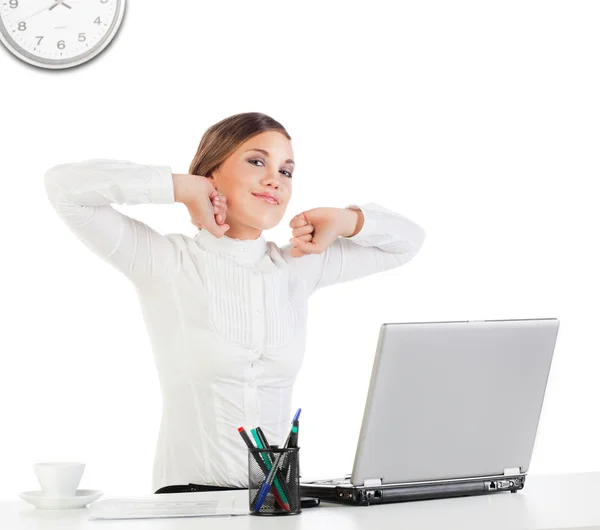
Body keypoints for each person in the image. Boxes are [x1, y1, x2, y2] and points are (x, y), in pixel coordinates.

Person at [43, 112, 426, 494]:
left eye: (286, 171)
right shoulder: (165, 262)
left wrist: (348, 220)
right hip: (189, 504)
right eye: (257, 161)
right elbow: (64, 187)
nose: (275, 179)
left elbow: (409, 242)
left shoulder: (299, 265)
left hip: (276, 505)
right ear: (211, 173)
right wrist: (180, 188)